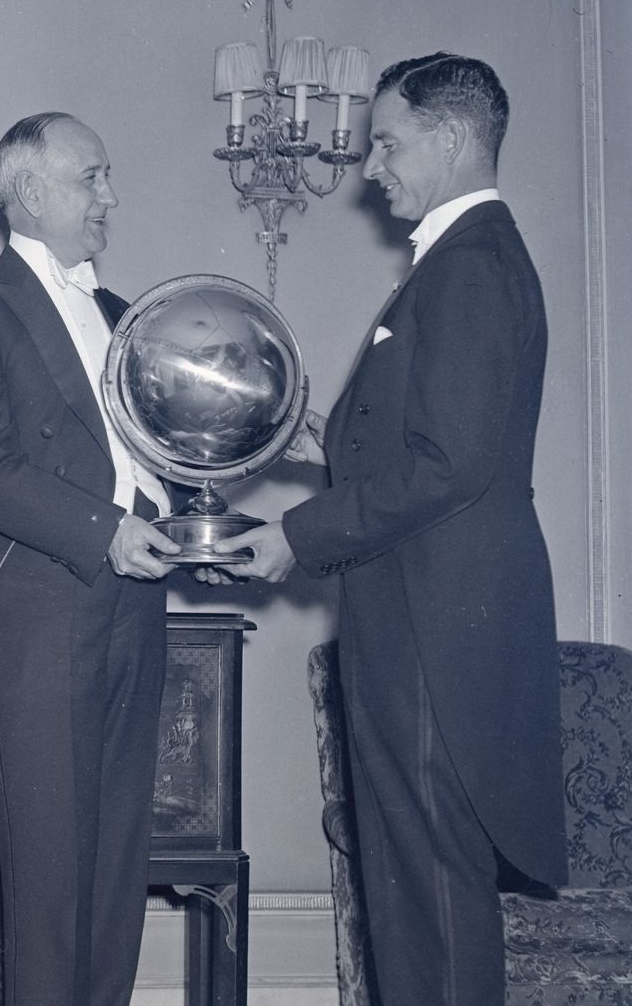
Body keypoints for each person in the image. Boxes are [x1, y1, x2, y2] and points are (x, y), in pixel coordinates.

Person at [213, 53, 565, 1004]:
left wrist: (298, 534)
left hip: (433, 635)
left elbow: (448, 465)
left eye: (388, 142)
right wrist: (326, 438)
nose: (371, 167)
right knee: (416, 903)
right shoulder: (464, 261)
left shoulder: (470, 268)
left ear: (451, 139)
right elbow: (437, 444)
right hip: (423, 617)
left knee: (433, 907)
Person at [0, 112, 180, 1006]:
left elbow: (159, 458)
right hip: (38, 611)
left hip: (132, 610)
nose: (110, 195)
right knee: (46, 884)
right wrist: (106, 528)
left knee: (117, 872)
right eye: (93, 177)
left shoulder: (122, 315)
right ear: (30, 193)